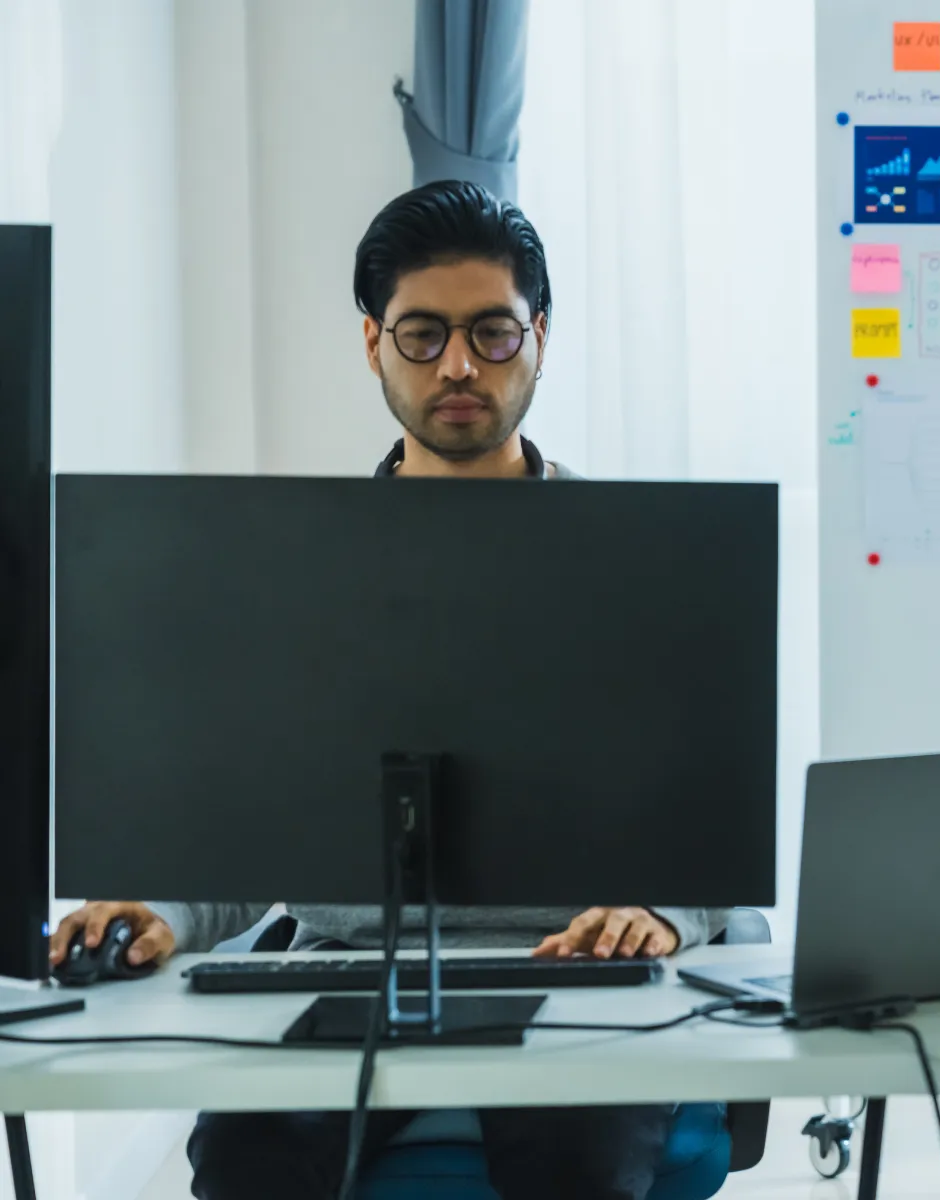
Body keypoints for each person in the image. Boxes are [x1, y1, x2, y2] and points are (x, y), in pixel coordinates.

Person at [48, 179, 727, 1200]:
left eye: (493, 333)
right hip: (338, 968)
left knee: (581, 1170)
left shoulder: (642, 560)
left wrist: (663, 911)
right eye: (422, 334)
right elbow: (256, 821)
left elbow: (710, 816)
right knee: (248, 1171)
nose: (458, 364)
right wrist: (165, 907)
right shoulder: (295, 571)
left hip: (572, 971)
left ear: (540, 336)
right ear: (372, 343)